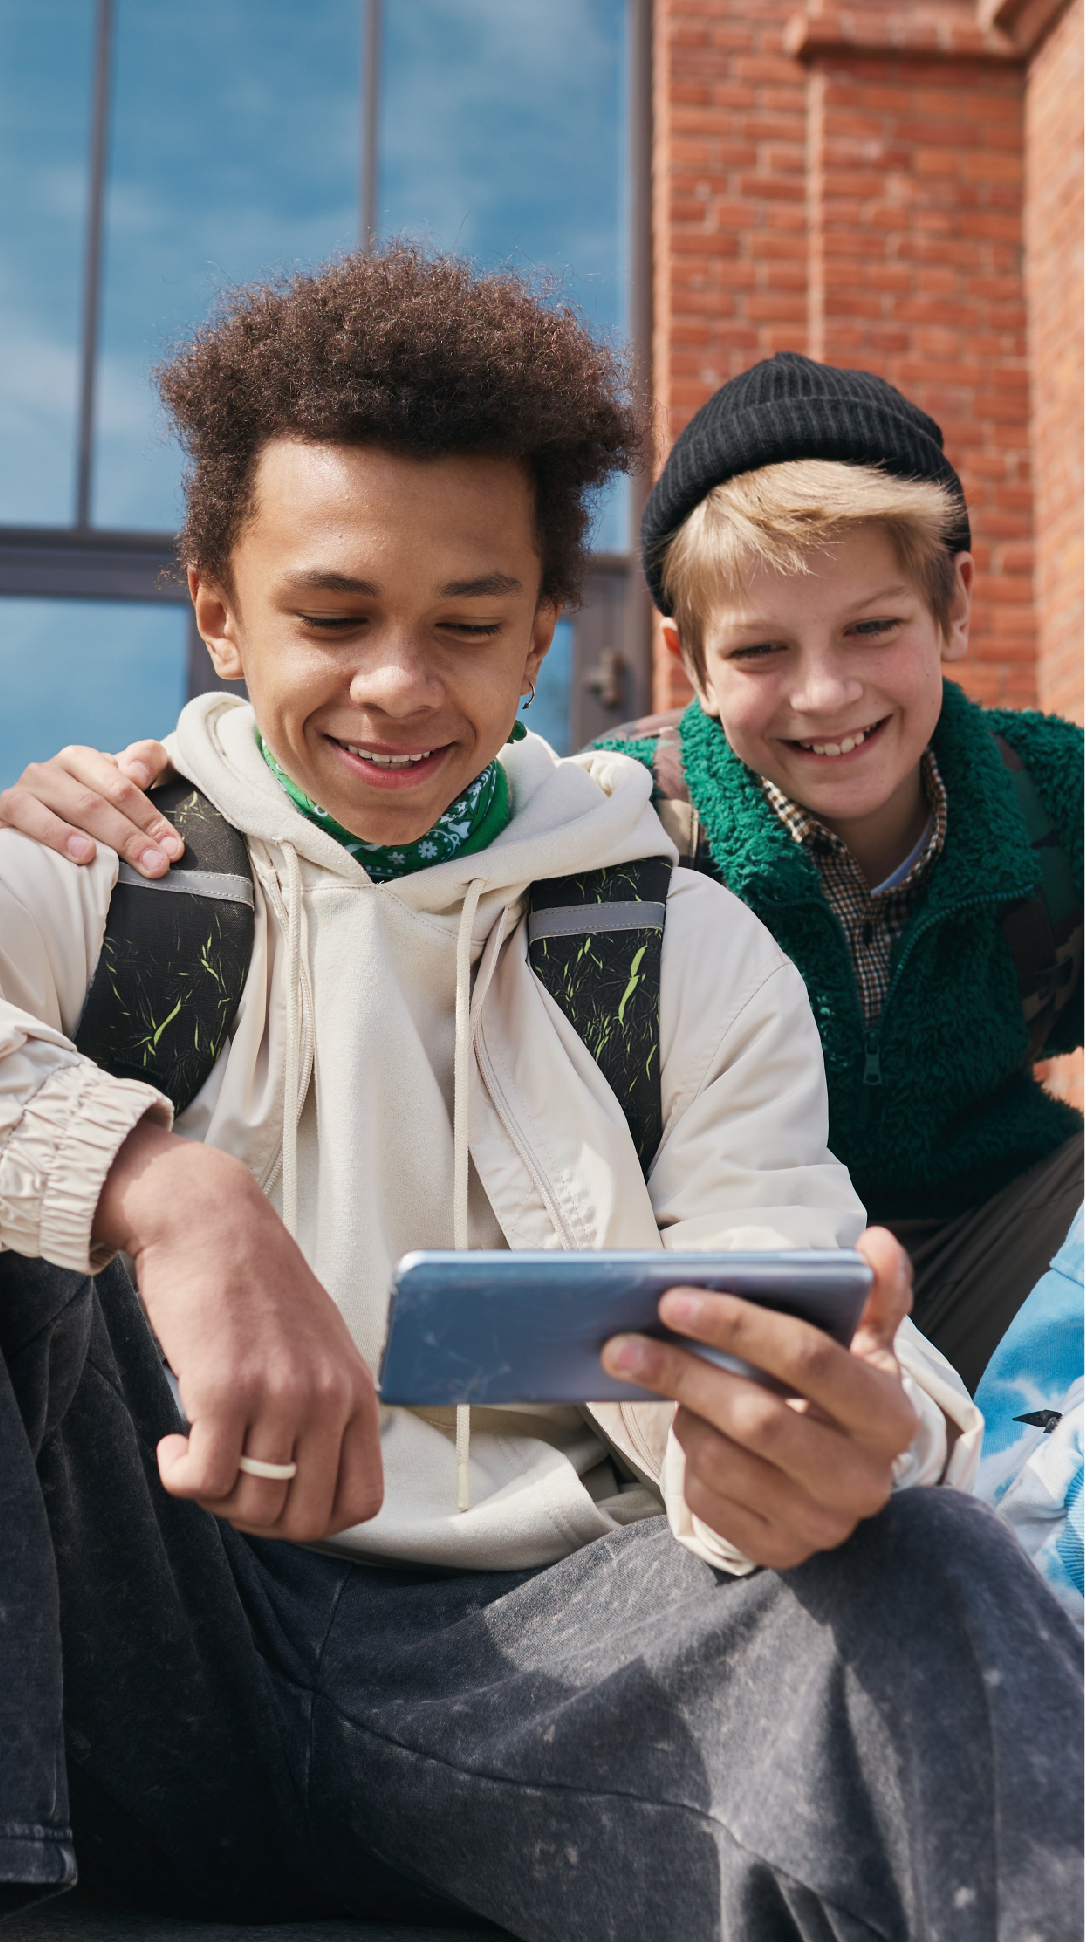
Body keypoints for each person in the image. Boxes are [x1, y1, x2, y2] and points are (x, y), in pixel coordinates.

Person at [0, 252, 1079, 1940]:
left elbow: (764, 1259)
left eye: (468, 624)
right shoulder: (95, 862)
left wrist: (792, 1447)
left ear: (546, 628)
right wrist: (160, 1185)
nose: (399, 686)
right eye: (333, 615)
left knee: (940, 1570)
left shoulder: (683, 946)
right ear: (216, 602)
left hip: (556, 1661)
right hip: (141, 1624)